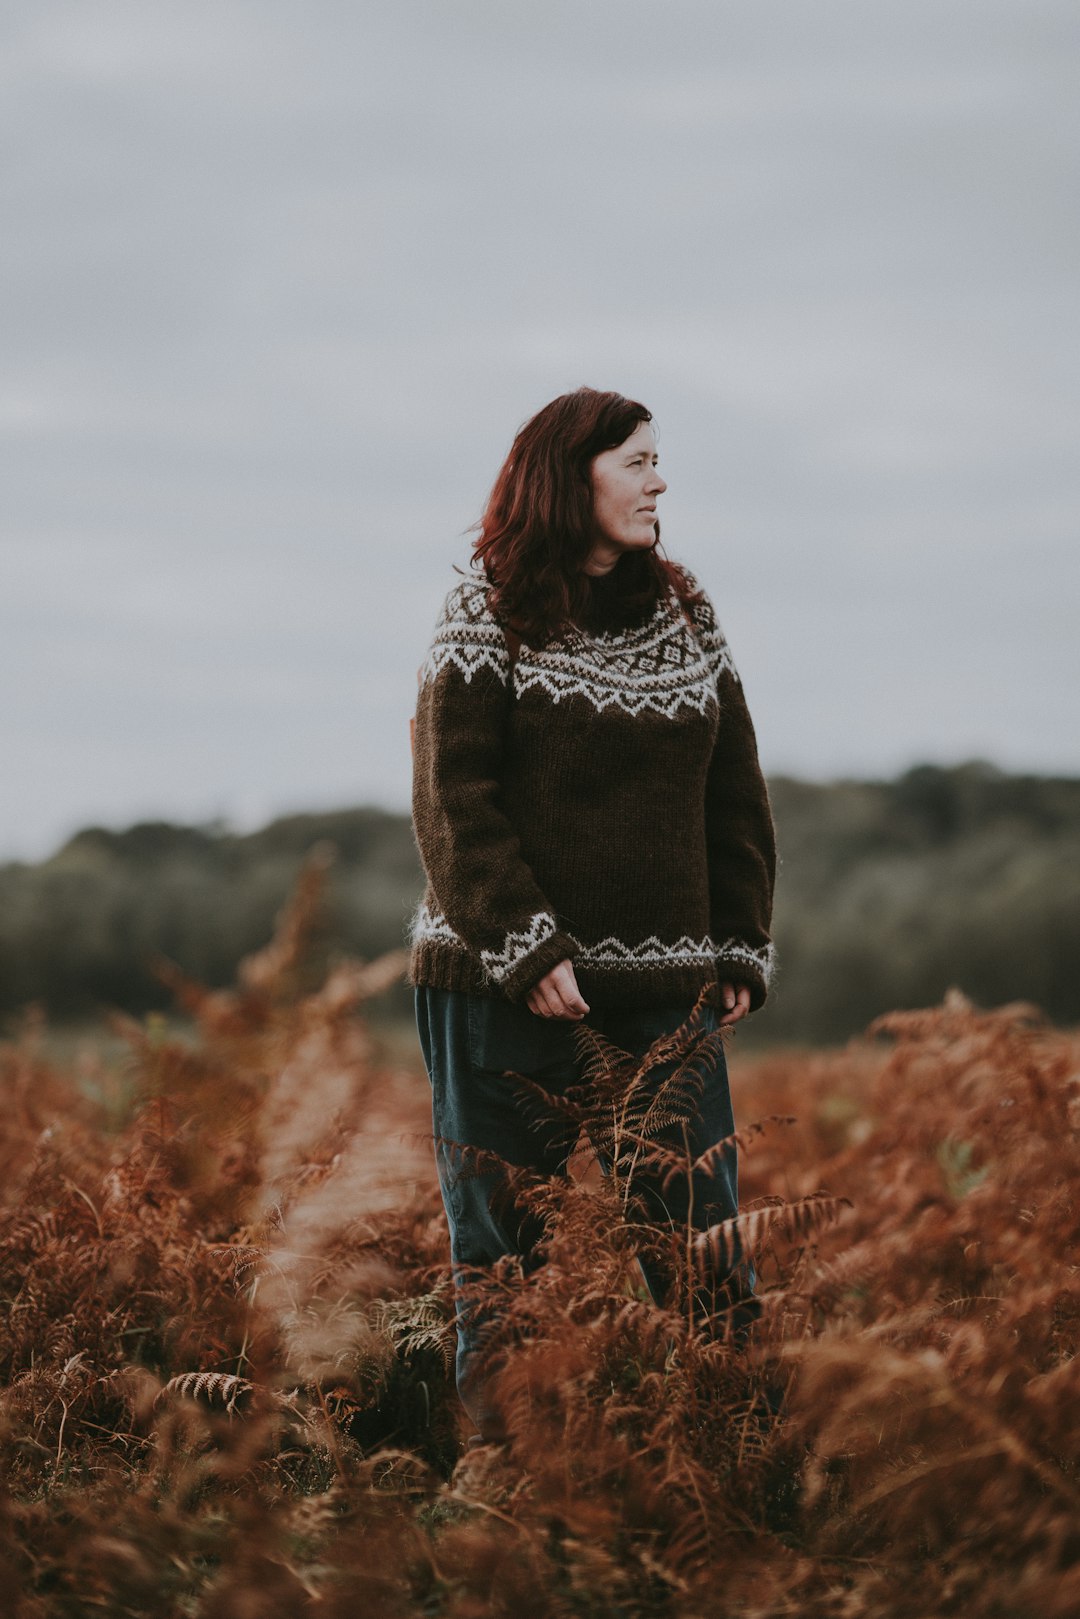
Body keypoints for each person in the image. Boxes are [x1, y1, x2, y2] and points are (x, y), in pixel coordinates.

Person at [410, 387, 776, 1443]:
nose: (660, 481)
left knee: (703, 1248)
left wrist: (740, 934)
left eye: (659, 463)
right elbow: (451, 799)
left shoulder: (686, 615)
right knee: (505, 1263)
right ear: (570, 477)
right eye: (638, 462)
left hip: (665, 994)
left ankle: (745, 1473)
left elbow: (734, 788)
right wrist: (525, 943)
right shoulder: (485, 607)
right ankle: (510, 1494)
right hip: (493, 983)